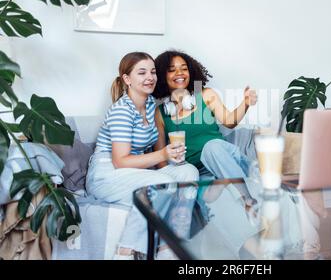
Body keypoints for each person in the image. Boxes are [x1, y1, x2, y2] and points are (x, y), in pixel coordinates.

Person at [86, 52, 199, 259]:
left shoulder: (149, 106)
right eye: (142, 72)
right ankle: (126, 250)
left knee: (188, 172)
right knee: (162, 184)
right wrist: (162, 155)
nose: (150, 77)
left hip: (135, 171)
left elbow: (158, 157)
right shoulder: (122, 111)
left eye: (153, 72)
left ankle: (170, 243)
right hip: (107, 174)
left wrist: (170, 156)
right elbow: (120, 161)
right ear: (127, 79)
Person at [153, 50, 257, 209]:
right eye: (172, 70)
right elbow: (161, 160)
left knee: (211, 147)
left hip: (226, 158)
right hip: (200, 173)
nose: (179, 73)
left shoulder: (206, 95)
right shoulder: (161, 114)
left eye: (184, 68)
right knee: (206, 198)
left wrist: (246, 103)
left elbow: (229, 122)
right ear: (162, 75)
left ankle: (249, 202)